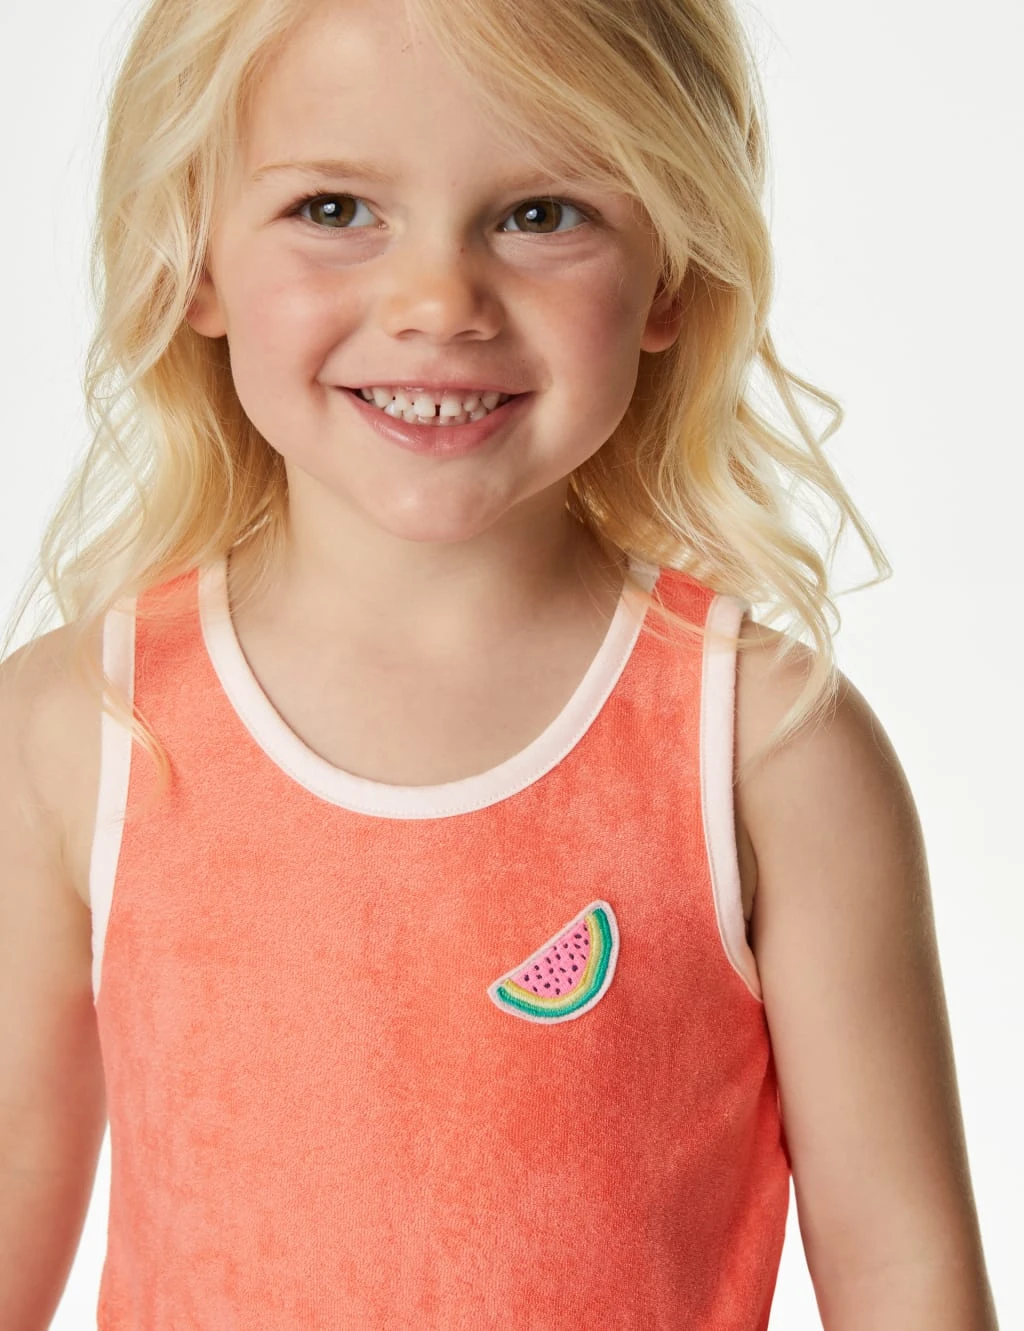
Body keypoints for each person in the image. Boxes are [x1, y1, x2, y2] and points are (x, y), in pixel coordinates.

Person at [0, 0, 1000, 1327]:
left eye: (539, 214)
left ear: (672, 274)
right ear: (191, 257)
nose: (438, 304)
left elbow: (903, 1274)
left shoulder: (766, 745)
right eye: (335, 209)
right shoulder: (80, 725)